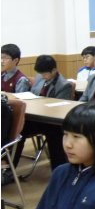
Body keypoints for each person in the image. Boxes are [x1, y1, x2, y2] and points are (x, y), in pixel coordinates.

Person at [3, 55, 73, 185]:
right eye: (40, 74)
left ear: (54, 70)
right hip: (37, 117)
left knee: (55, 134)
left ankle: (58, 172)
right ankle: (9, 170)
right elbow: (33, 93)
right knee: (18, 129)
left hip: (53, 121)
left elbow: (63, 107)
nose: (43, 76)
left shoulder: (64, 85)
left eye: (46, 73)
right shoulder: (40, 77)